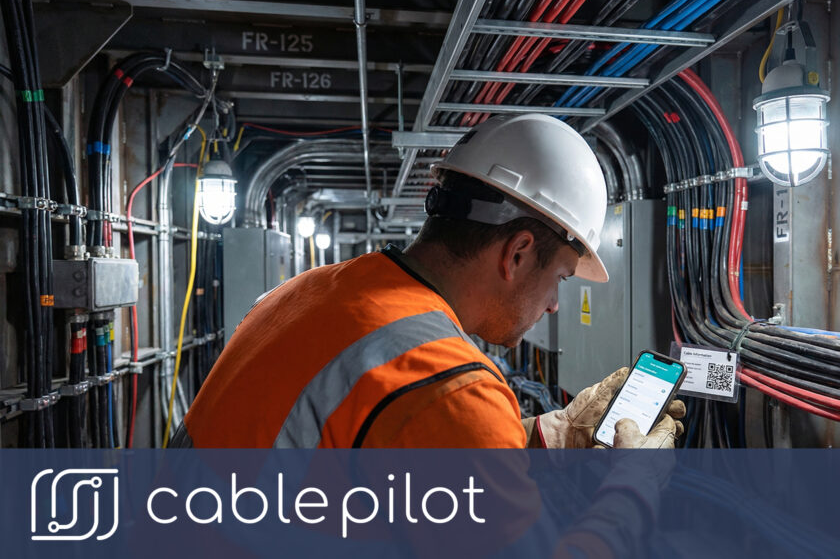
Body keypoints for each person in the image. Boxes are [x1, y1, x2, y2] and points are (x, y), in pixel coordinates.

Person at [171, 114, 684, 449]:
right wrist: (629, 486)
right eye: (561, 279)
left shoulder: (309, 291)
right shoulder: (451, 384)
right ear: (519, 253)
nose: (553, 306)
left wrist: (555, 432)